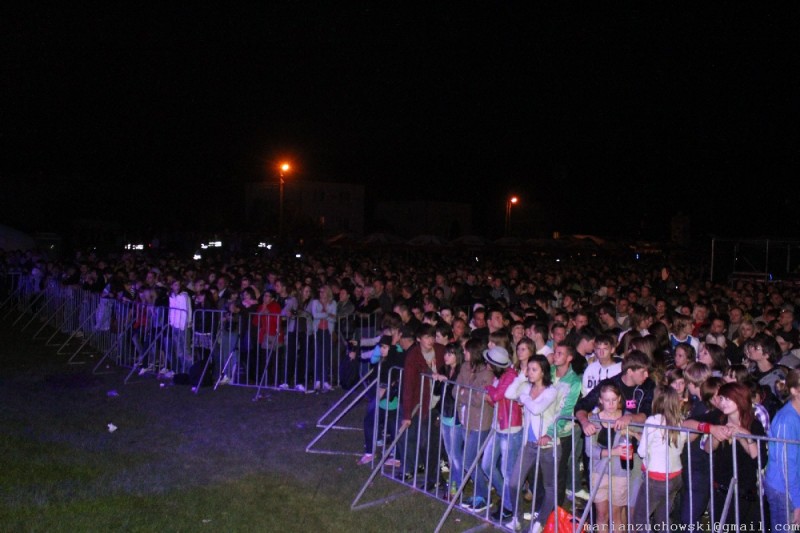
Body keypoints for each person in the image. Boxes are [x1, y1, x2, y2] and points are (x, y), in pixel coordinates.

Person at [504, 354, 561, 533]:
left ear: (543, 372)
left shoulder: (551, 391)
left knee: (549, 487)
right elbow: (508, 394)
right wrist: (521, 377)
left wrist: (524, 398)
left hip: (548, 446)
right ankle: (517, 518)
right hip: (529, 444)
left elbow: (536, 409)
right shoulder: (527, 386)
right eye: (528, 369)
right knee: (514, 482)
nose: (530, 372)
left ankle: (540, 522)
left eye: (534, 369)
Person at [704, 381, 768, 529]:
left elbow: (759, 460)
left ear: (739, 399)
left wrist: (744, 436)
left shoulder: (754, 424)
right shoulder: (719, 418)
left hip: (744, 492)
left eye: (728, 399)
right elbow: (707, 449)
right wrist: (716, 434)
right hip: (721, 490)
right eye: (722, 398)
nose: (723, 403)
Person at [396, 325, 446, 492]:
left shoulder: (441, 350)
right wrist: (407, 414)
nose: (430, 340)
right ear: (418, 339)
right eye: (426, 337)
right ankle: (431, 476)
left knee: (429, 442)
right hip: (422, 405)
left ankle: (435, 478)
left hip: (438, 404)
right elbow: (408, 386)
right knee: (421, 441)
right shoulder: (413, 356)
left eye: (432, 336)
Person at [631, 386, 687, 529]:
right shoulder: (681, 421)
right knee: (662, 520)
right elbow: (676, 448)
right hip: (675, 476)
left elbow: (642, 452)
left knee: (639, 520)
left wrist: (641, 440)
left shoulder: (653, 421)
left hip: (657, 478)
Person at [482, 345, 522, 524]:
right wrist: (491, 393)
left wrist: (488, 388)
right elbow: (495, 401)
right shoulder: (500, 376)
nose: (486, 364)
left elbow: (497, 395)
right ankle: (506, 497)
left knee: (507, 471)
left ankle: (509, 507)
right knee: (486, 465)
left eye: (489, 362)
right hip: (498, 426)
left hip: (510, 429)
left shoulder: (510, 375)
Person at [585, 383, 632, 533]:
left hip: (620, 473)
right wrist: (614, 451)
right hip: (598, 472)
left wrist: (632, 434)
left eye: (613, 400)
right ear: (600, 400)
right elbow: (589, 450)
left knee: (616, 515)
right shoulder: (594, 420)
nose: (611, 404)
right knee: (601, 515)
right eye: (607, 400)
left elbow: (641, 437)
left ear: (619, 399)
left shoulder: (627, 417)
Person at [454, 338, 494, 512]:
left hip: (480, 423)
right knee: (469, 460)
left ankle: (484, 496)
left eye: (466, 350)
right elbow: (454, 390)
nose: (464, 353)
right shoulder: (465, 367)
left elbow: (479, 400)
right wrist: (466, 393)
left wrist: (464, 393)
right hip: (465, 419)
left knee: (469, 460)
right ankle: (479, 493)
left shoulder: (487, 373)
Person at [358, 334, 405, 466]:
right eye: (381, 347)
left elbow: (390, 379)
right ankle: (372, 452)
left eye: (385, 347)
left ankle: (395, 456)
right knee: (375, 422)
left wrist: (380, 395)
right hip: (383, 399)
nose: (382, 350)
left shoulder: (392, 361)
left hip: (389, 400)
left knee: (391, 427)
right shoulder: (383, 360)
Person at [764, 368, 800, 531]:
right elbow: (787, 465)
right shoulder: (787, 420)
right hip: (784, 490)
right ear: (794, 391)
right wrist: (797, 502)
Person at [432, 342, 464, 497]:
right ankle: (455, 482)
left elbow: (456, 393)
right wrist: (437, 379)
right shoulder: (443, 369)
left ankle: (455, 485)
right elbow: (437, 392)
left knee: (455, 454)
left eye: (450, 354)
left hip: (456, 416)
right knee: (450, 453)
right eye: (445, 353)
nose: (446, 356)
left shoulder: (461, 371)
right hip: (444, 414)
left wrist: (447, 381)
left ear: (457, 355)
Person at [308, 285, 337, 391]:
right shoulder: (315, 302)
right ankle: (317, 380)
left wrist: (325, 315)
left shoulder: (333, 303)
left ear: (328, 293)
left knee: (326, 356)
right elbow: (315, 315)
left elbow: (334, 319)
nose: (321, 294)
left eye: (323, 292)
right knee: (318, 355)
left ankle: (325, 380)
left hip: (328, 331)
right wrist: (327, 314)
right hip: (318, 331)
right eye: (320, 292)